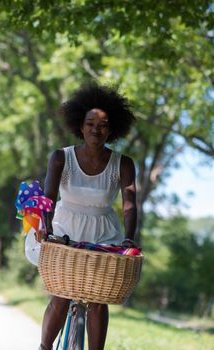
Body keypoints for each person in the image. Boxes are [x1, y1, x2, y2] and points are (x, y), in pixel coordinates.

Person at [38, 82, 137, 350]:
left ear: (111, 130)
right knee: (60, 296)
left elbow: (130, 204)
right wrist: (47, 229)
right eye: (90, 123)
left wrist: (129, 239)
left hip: (104, 235)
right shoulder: (61, 158)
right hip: (65, 230)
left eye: (103, 125)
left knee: (98, 298)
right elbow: (48, 197)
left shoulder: (123, 163)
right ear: (80, 127)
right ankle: (44, 346)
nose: (96, 129)